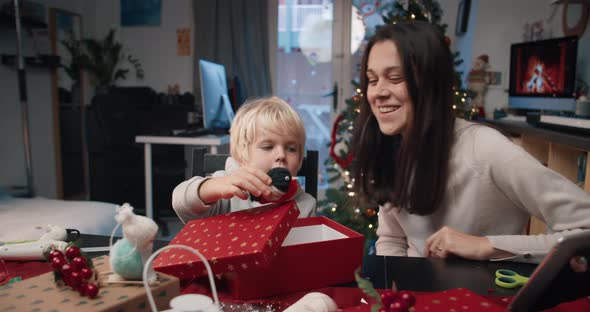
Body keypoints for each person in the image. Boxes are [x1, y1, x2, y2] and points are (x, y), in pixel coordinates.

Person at [351, 20, 590, 263]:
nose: (378, 92)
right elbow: (392, 240)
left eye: (395, 78)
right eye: (372, 80)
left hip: (487, 296)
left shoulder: (485, 148)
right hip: (417, 299)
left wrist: (487, 246)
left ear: (431, 83)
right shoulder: (389, 148)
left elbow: (586, 227)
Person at [172, 96, 316, 223]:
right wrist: (212, 187)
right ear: (243, 154)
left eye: (291, 149)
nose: (281, 155)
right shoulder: (227, 189)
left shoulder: (306, 204)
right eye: (267, 147)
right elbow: (180, 203)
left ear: (299, 160)